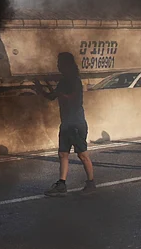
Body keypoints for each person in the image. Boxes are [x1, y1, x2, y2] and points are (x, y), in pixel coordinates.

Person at [34, 52, 95, 196]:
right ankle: (61, 184)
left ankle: (91, 182)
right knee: (62, 153)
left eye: (60, 62)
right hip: (66, 123)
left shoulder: (74, 80)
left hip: (76, 123)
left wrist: (59, 93)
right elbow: (51, 97)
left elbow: (73, 98)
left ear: (67, 64)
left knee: (82, 154)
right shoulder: (63, 81)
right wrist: (40, 89)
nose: (58, 65)